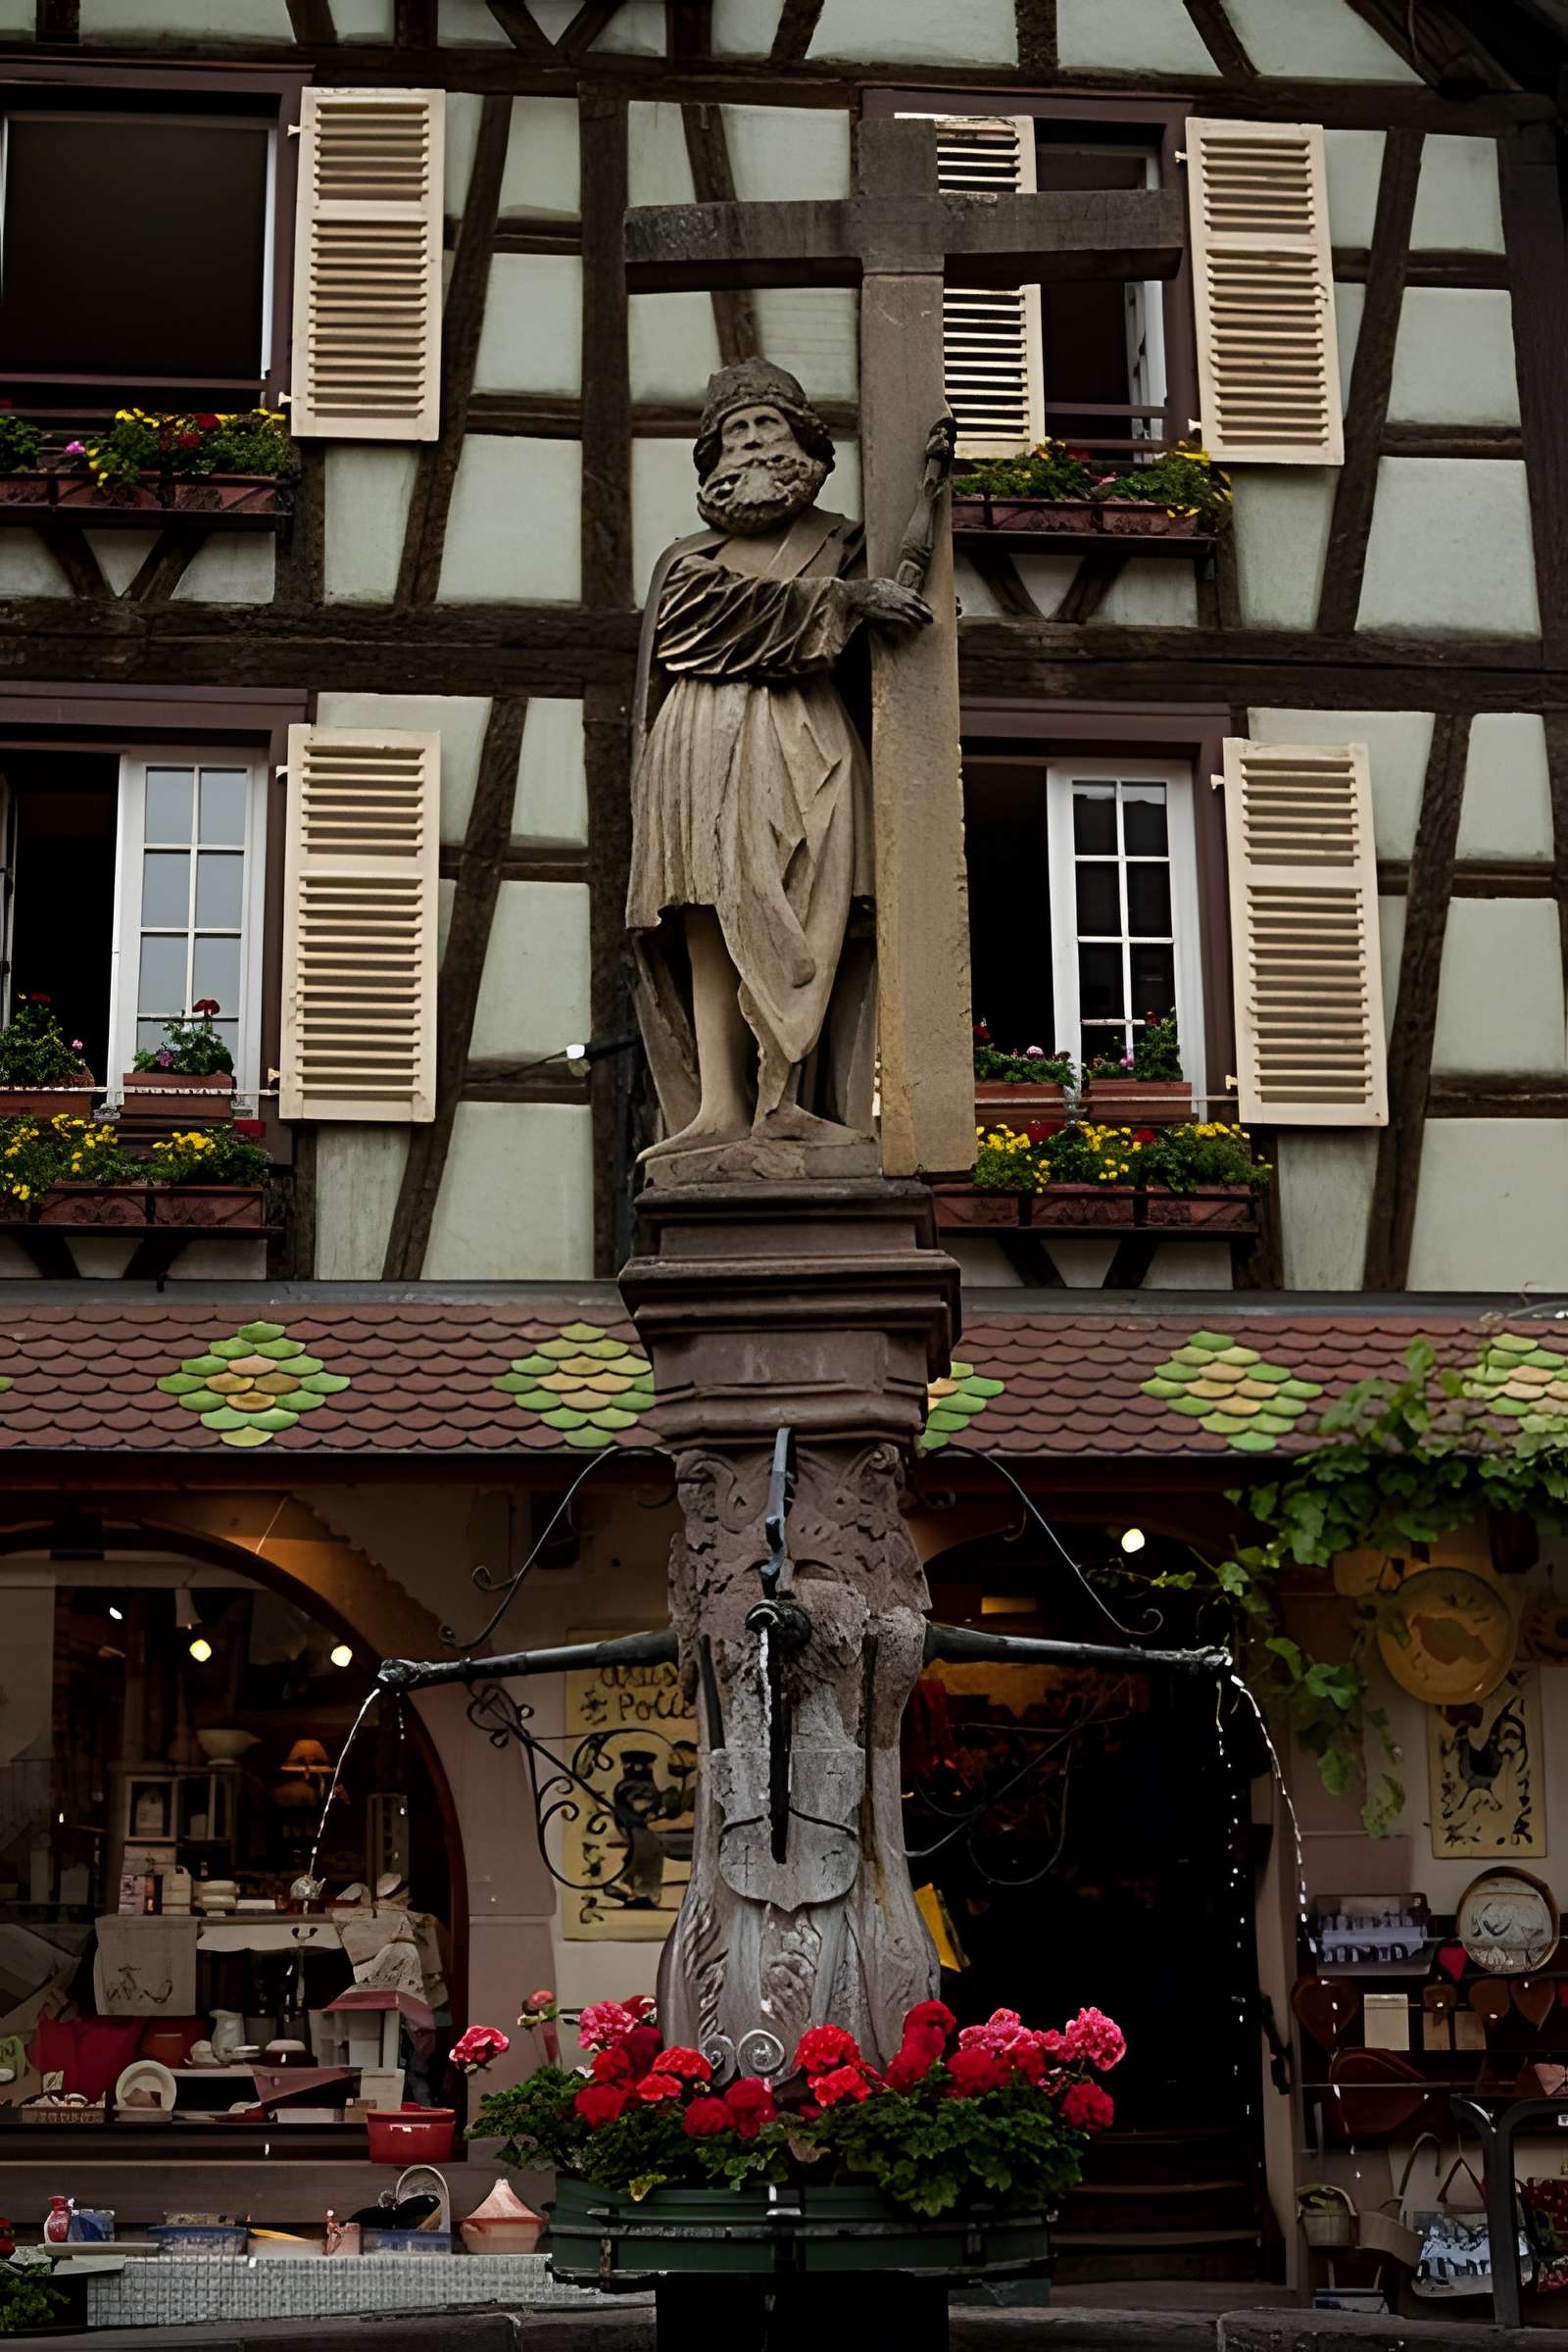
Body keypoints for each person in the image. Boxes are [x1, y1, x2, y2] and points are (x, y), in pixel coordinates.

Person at [626, 359, 931, 1164]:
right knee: (707, 915)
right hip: (694, 745)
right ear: (712, 457)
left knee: (806, 912)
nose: (753, 443)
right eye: (735, 432)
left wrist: (877, 597)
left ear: (804, 442)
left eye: (768, 426)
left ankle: (792, 1101)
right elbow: (693, 627)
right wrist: (847, 600)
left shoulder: (843, 543)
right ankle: (719, 1108)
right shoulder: (683, 559)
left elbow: (898, 652)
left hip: (804, 742)